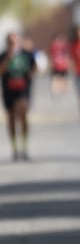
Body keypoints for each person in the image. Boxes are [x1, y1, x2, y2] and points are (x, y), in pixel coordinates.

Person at [0, 32, 37, 161]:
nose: (12, 43)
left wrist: (30, 74)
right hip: (8, 91)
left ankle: (24, 147)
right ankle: (14, 149)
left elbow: (35, 67)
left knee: (22, 114)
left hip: (23, 90)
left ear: (19, 41)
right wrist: (9, 58)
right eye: (10, 41)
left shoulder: (26, 54)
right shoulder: (3, 55)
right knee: (11, 119)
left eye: (14, 41)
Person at [48, 32, 71, 97]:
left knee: (63, 78)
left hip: (63, 65)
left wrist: (68, 64)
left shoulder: (65, 46)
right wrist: (51, 64)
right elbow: (51, 55)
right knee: (55, 78)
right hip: (56, 65)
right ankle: (55, 90)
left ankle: (63, 89)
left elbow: (67, 56)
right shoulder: (53, 46)